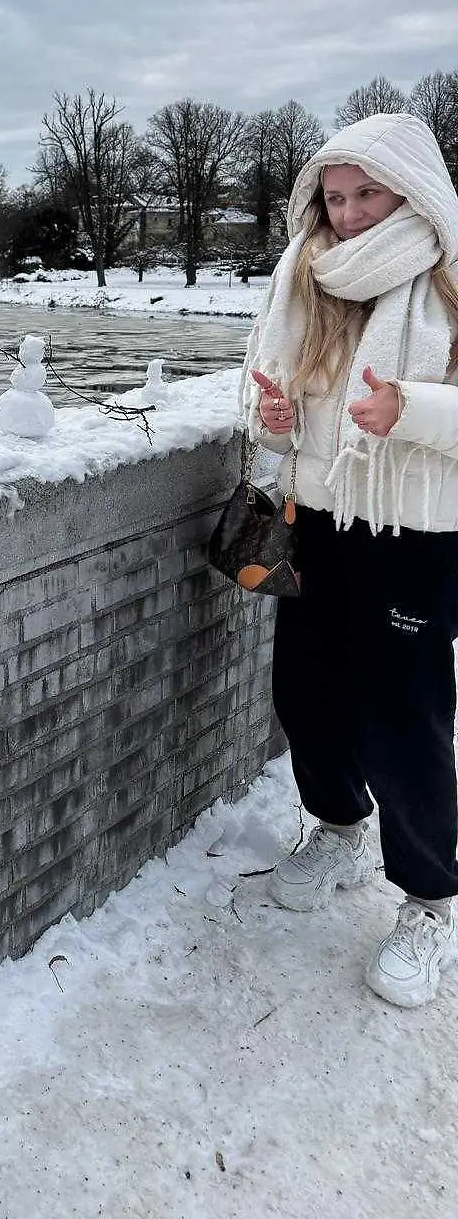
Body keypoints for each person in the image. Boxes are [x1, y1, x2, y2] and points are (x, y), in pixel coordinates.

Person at [241, 111, 458, 1008]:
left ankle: (431, 899)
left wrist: (410, 410)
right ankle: (337, 828)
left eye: (368, 191)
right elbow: (269, 397)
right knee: (305, 689)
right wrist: (277, 419)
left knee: (403, 718)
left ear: (411, 188)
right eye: (335, 196)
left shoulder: (449, 281)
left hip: (416, 535)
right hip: (321, 521)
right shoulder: (308, 276)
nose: (351, 212)